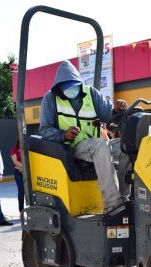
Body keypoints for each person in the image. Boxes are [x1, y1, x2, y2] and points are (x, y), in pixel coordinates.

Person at [39, 60, 127, 213]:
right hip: (74, 148)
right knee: (100, 145)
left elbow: (109, 115)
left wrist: (118, 111)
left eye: (73, 85)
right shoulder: (51, 99)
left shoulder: (91, 93)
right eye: (66, 87)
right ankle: (113, 205)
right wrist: (64, 135)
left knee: (125, 147)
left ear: (79, 83)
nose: (70, 89)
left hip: (98, 145)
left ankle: (125, 198)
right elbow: (45, 130)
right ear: (59, 88)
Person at [10, 138, 24, 213]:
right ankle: (21, 211)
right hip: (19, 172)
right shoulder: (14, 149)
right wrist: (24, 167)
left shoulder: (27, 148)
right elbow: (15, 161)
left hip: (27, 172)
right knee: (21, 192)